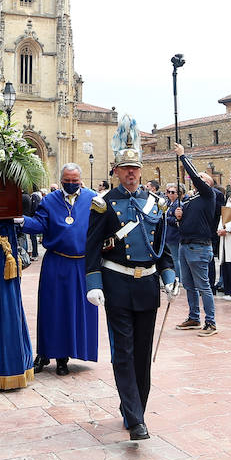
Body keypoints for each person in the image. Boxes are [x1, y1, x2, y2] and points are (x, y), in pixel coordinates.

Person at [84, 143, 176, 441]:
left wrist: (170, 276)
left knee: (142, 354)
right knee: (123, 352)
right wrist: (94, 284)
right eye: (125, 169)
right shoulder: (103, 203)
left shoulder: (155, 204)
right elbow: (92, 248)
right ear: (117, 172)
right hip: (117, 284)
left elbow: (161, 248)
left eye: (135, 169)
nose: (131, 174)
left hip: (147, 286)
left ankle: (135, 410)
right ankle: (136, 419)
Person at [18, 164, 98, 375]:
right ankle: (44, 353)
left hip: (82, 264)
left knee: (74, 310)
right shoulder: (50, 200)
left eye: (75, 181)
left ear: (80, 180)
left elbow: (103, 225)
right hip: (56, 262)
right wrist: (21, 221)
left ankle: (64, 357)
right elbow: (40, 225)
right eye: (67, 180)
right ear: (61, 179)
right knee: (51, 309)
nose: (71, 184)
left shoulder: (93, 199)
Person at [171, 145, 221, 333]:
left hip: (199, 247)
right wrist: (178, 218)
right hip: (185, 244)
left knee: (203, 286)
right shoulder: (191, 200)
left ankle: (211, 321)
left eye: (202, 178)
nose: (197, 180)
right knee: (189, 285)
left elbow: (194, 177)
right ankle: (194, 317)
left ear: (208, 183)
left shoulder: (209, 195)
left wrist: (183, 156)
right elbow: (185, 222)